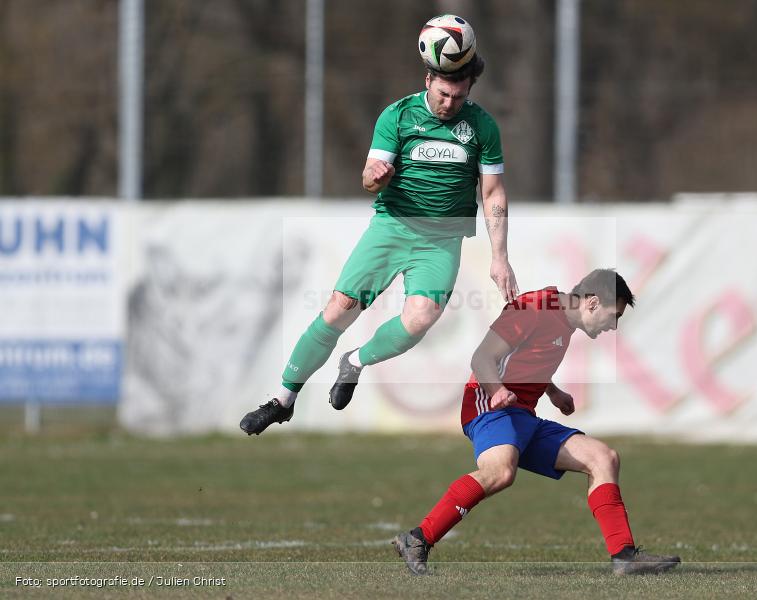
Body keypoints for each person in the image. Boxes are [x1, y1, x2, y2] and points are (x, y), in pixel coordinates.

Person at [240, 20, 518, 435]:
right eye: (443, 94)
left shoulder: (482, 127)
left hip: (442, 239)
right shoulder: (397, 116)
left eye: (458, 96)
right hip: (392, 227)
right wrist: (375, 174)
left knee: (421, 318)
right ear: (428, 79)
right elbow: (369, 180)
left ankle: (354, 362)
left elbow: (493, 193)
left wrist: (500, 259)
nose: (449, 104)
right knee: (338, 309)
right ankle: (284, 399)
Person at [391, 269, 680, 576]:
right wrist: (497, 391)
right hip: (488, 406)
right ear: (593, 302)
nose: (614, 325)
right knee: (500, 472)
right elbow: (482, 358)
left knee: (603, 458)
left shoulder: (566, 320)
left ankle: (624, 557)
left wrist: (552, 391)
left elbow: (528, 355)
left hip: (522, 415)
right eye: (614, 315)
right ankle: (418, 539)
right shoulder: (535, 308)